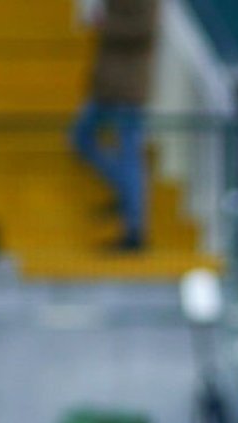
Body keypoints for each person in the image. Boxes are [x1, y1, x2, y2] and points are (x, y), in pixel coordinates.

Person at [70, 0, 158, 251]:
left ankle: (134, 229)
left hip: (127, 89)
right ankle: (126, 194)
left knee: (129, 153)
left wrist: (105, 24)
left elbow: (142, 29)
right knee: (81, 137)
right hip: (105, 88)